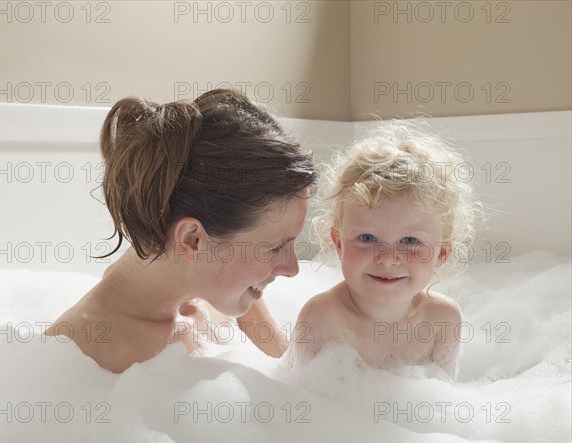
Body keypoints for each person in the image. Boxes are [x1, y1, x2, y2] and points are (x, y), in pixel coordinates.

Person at [45, 89, 317, 373]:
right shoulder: (81, 354)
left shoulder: (221, 288)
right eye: (275, 247)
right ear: (192, 239)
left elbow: (289, 372)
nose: (292, 268)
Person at [288, 121, 479, 380]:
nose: (388, 259)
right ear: (339, 243)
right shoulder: (322, 317)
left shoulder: (442, 319)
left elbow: (443, 401)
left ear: (441, 254)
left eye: (410, 241)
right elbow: (300, 403)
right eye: (367, 237)